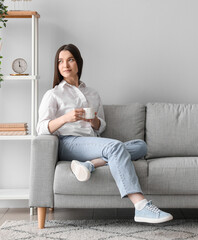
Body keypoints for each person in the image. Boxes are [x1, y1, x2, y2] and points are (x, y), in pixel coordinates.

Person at [37, 44, 173, 224]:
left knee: (141, 146)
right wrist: (66, 118)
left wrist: (94, 121)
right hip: (69, 142)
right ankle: (140, 206)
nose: (65, 65)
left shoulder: (92, 93)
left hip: (92, 141)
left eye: (70, 59)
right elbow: (41, 128)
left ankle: (91, 164)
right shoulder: (53, 94)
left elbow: (101, 126)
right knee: (115, 147)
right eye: (60, 61)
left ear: (79, 63)